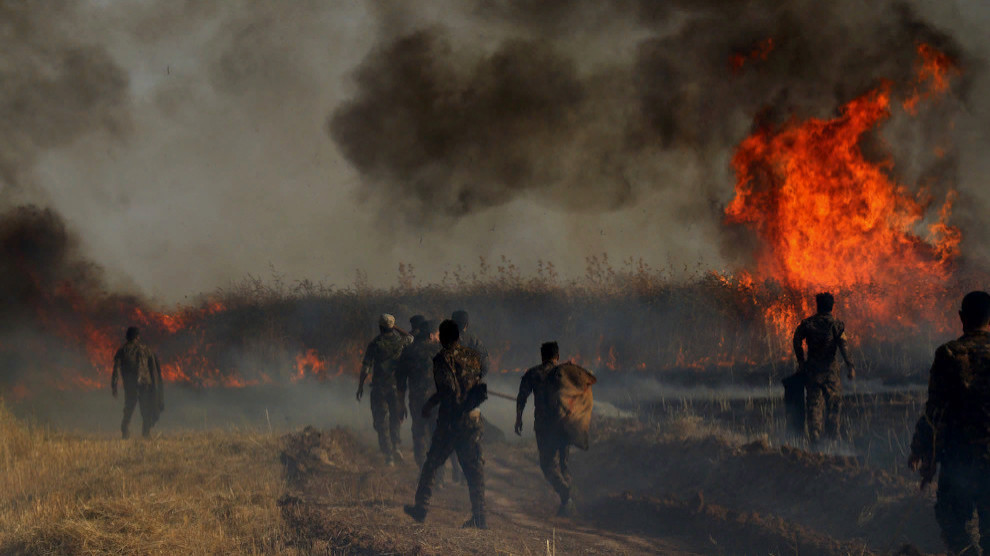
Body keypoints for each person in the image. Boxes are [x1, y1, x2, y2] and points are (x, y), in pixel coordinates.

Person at [909, 291, 990, 555]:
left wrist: (923, 451)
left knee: (951, 520)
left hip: (961, 458)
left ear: (961, 317)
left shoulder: (949, 354)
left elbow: (935, 412)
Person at [404, 320, 488, 529]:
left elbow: (447, 391)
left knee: (432, 463)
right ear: (458, 337)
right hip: (473, 418)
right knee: (474, 468)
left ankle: (421, 508)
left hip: (452, 420)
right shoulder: (472, 356)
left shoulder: (442, 359)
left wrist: (430, 404)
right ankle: (479, 516)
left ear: (442, 337)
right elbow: (478, 380)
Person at [515, 341, 576, 516]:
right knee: (564, 465)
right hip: (565, 425)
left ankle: (566, 497)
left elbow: (522, 397)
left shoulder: (534, 373)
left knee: (548, 465)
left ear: (542, 356)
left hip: (545, 427)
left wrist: (518, 418)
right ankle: (568, 502)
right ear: (557, 356)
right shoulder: (565, 373)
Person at [792, 292, 855, 442]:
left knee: (814, 406)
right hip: (830, 371)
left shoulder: (808, 324)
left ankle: (815, 438)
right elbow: (844, 346)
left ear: (818, 305)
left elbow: (796, 341)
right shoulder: (836, 325)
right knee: (834, 406)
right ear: (831, 306)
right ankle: (833, 440)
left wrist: (801, 362)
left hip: (812, 370)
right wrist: (850, 366)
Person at [357, 313, 412, 465]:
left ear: (380, 327)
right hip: (396, 387)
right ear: (392, 326)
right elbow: (410, 337)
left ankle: (389, 456)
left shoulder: (375, 343)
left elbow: (366, 367)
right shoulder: (400, 341)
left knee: (381, 421)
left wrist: (360, 386)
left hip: (380, 387)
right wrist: (396, 327)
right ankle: (396, 446)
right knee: (395, 418)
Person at [397, 319, 441, 468]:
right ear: (430, 335)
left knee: (419, 435)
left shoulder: (408, 352)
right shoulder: (438, 351)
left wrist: (400, 404)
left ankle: (424, 471)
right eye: (437, 334)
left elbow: (401, 382)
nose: (438, 337)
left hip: (417, 401)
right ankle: (438, 476)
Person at [111, 326, 164, 439]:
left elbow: (115, 369)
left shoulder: (122, 350)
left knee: (129, 409)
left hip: (131, 385)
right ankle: (146, 434)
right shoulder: (146, 349)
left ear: (127, 336)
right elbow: (153, 370)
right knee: (145, 410)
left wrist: (114, 386)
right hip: (145, 384)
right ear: (137, 336)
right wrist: (156, 387)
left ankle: (125, 432)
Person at [451, 310, 490, 377]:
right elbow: (485, 365)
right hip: (469, 384)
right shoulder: (474, 341)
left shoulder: (443, 340)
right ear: (467, 324)